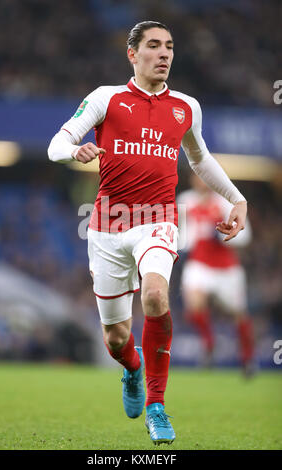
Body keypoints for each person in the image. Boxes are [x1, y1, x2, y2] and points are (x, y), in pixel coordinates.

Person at [48, 21, 248, 445]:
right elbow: (56, 144)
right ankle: (133, 369)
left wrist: (236, 198)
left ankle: (157, 406)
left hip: (158, 220)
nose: (164, 54)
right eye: (154, 46)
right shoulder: (107, 98)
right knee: (115, 338)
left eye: (170, 47)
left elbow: (200, 160)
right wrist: (75, 150)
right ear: (132, 54)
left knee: (155, 295)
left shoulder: (186, 107)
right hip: (106, 227)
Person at [177, 174, 255, 375]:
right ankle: (209, 345)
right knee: (193, 305)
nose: (201, 181)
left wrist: (221, 235)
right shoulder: (186, 200)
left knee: (239, 314)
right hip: (199, 263)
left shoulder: (227, 203)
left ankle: (247, 360)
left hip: (226, 268)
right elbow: (182, 231)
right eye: (197, 177)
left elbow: (245, 236)